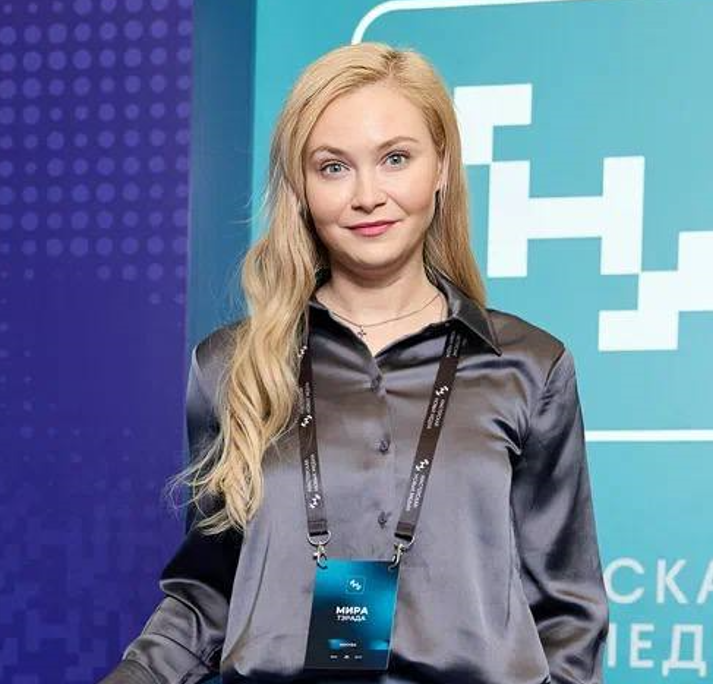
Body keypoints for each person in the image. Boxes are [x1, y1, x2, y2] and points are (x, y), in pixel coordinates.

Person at [99, 42, 609, 684]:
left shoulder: (529, 366)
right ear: (301, 188)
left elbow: (567, 615)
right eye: (333, 167)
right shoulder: (232, 367)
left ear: (441, 166)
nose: (368, 196)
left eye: (395, 158)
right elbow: (207, 598)